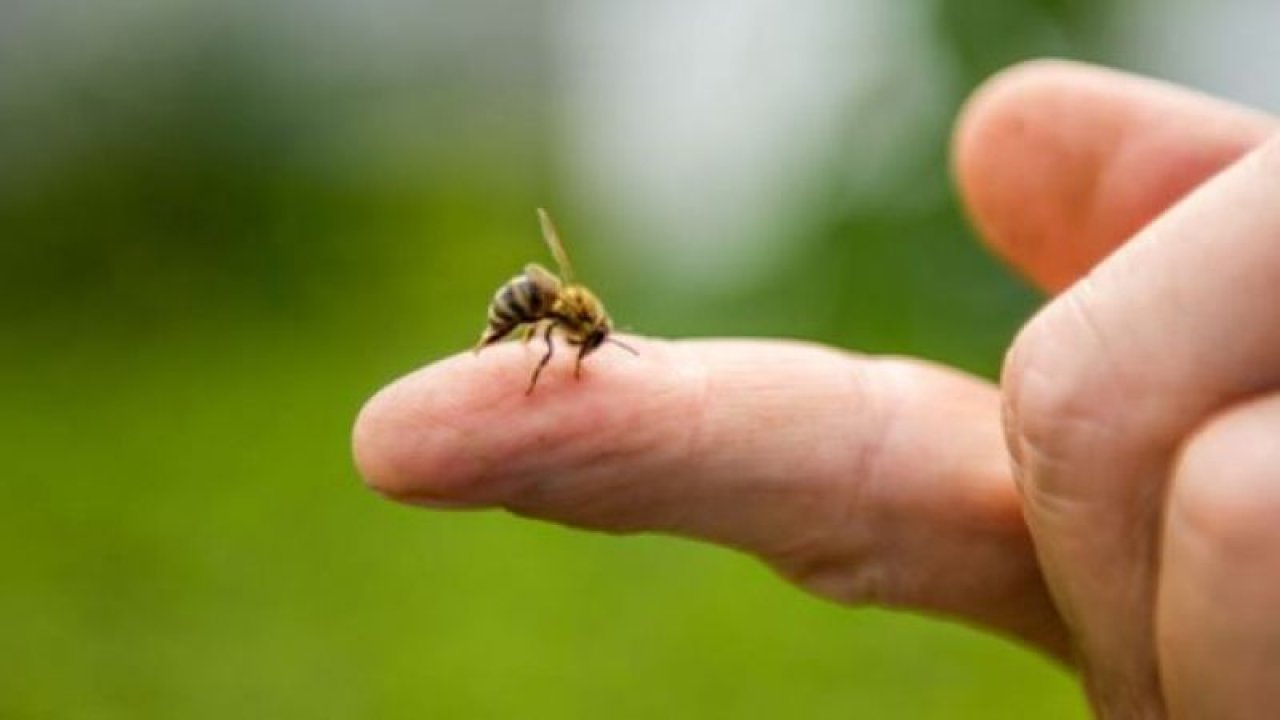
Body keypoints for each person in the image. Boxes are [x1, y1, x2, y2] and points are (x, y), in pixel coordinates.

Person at [352, 60, 1280, 718]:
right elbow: (543, 317)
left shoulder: (575, 319)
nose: (584, 346)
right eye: (586, 339)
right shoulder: (559, 318)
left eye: (586, 339)